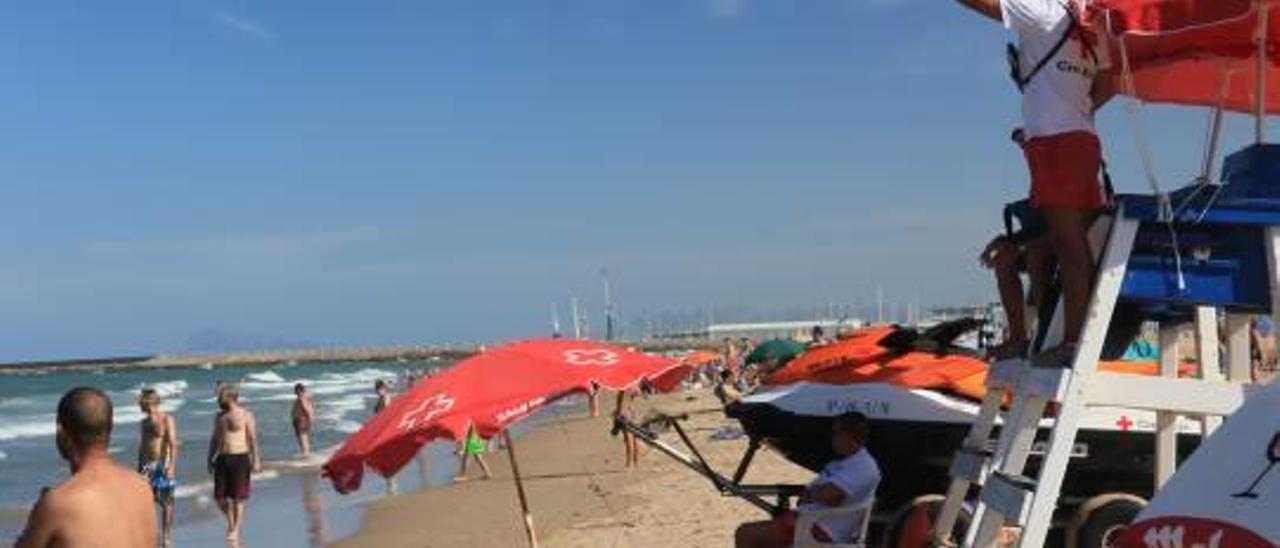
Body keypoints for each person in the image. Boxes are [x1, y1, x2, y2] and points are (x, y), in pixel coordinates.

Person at [956, 0, 1114, 367]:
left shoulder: (1043, 9)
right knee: (1041, 248)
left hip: (1059, 140)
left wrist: (1066, 114)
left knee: (1068, 245)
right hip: (1071, 138)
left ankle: (1072, 342)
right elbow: (1109, 83)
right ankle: (1029, 338)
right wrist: (1080, 110)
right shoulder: (1094, 24)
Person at [17, 387, 157, 548]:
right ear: (110, 427)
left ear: (61, 432)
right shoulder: (141, 486)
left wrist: (37, 515)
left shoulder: (58, 503)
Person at [734, 412, 881, 548]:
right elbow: (825, 495)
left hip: (819, 529)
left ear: (847, 436)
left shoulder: (862, 466)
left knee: (745, 534)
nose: (833, 438)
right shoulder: (846, 462)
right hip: (811, 521)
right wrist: (813, 494)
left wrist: (810, 494)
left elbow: (830, 496)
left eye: (836, 433)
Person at [208, 387, 261, 543]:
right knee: (219, 498)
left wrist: (256, 459)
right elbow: (214, 438)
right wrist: (209, 457)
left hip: (240, 457)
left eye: (221, 397)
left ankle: (235, 528)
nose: (218, 400)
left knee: (238, 498)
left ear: (231, 398)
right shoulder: (219, 416)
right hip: (222, 458)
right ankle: (231, 522)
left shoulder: (245, 414)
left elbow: (252, 439)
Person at [136, 388, 179, 547]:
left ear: (149, 402)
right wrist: (140, 468)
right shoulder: (144, 422)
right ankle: (150, 534)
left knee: (167, 502)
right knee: (147, 500)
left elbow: (173, 444)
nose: (140, 406)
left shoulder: (167, 419)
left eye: (142, 402)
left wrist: (172, 466)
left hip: (164, 463)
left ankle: (167, 536)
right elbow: (142, 446)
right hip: (148, 465)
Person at [614, 390, 641, 468]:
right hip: (632, 411)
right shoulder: (631, 387)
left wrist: (617, 415)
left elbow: (620, 405)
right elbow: (634, 396)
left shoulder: (622, 390)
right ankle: (636, 462)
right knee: (635, 438)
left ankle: (628, 462)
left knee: (627, 439)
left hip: (625, 414)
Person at [292, 383, 314, 458]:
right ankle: (306, 452)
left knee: (302, 437)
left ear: (298, 390)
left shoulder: (301, 398)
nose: (294, 392)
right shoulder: (305, 398)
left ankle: (306, 453)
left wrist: (309, 416)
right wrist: (310, 417)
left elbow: (305, 408)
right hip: (303, 419)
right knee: (304, 437)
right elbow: (310, 409)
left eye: (295, 390)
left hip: (302, 420)